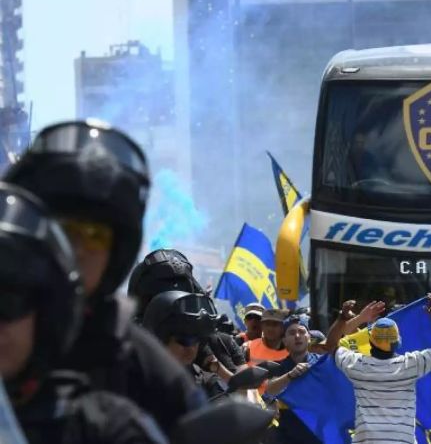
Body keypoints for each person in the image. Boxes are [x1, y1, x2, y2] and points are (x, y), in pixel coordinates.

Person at [3, 120, 205, 436]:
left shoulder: (139, 363)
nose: (77, 249)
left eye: (95, 235)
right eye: (64, 227)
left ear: (117, 253)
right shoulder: (9, 331)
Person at [0, 183, 166, 444]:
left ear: (43, 314)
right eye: (66, 228)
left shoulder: (97, 427)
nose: (79, 248)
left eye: (7, 301)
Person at [323, 294, 431, 444]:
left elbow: (330, 345)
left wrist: (342, 318)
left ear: (370, 341)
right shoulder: (410, 365)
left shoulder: (357, 366)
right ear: (398, 342)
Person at [129, 248, 248, 381]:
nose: (190, 348)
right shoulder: (126, 357)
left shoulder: (213, 345)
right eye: (182, 340)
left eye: (193, 339)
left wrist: (216, 367)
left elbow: (240, 388)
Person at [141, 290, 227, 402]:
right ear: (159, 339)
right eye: (185, 340)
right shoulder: (133, 381)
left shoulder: (203, 380)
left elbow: (222, 401)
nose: (191, 348)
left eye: (197, 340)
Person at [264, 315, 322, 444]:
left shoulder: (322, 363)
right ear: (284, 341)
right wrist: (290, 375)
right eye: (291, 333)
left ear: (309, 338)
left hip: (320, 434)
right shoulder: (277, 367)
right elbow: (269, 391)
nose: (297, 336)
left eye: (301, 332)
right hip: (290, 435)